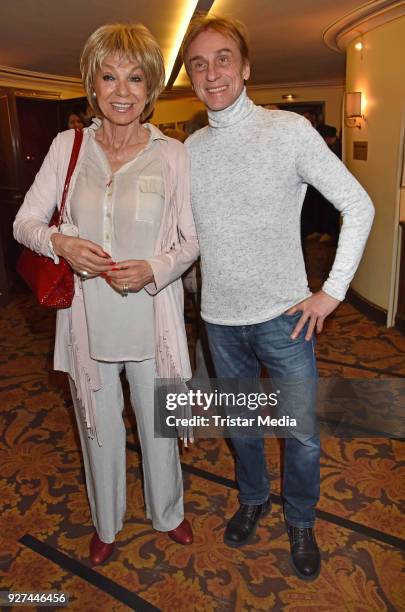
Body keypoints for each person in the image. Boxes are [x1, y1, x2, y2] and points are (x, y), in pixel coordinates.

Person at [182, 15, 374, 580]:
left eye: (222, 59)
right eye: (198, 63)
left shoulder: (288, 130)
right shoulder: (189, 150)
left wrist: (332, 292)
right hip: (219, 320)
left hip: (287, 319)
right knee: (242, 427)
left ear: (244, 68)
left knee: (301, 434)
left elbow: (358, 205)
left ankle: (301, 517)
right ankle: (253, 498)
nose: (211, 72)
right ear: (191, 77)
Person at [14, 23, 198, 565]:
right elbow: (25, 222)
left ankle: (168, 512)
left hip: (152, 318)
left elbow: (191, 241)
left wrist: (154, 268)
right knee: (98, 430)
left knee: (159, 424)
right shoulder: (67, 146)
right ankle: (108, 522)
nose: (122, 90)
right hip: (87, 318)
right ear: (93, 86)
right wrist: (61, 243)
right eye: (110, 76)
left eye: (135, 78)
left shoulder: (173, 155)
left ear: (151, 89)